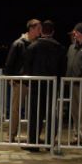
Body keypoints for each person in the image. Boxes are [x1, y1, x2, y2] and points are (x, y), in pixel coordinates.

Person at [23, 20, 66, 149]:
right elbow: (62, 70)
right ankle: (49, 143)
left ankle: (33, 143)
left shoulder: (33, 46)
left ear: (42, 31)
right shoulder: (60, 48)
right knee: (52, 114)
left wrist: (27, 82)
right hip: (52, 87)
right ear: (53, 32)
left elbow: (27, 67)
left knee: (35, 114)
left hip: (36, 86)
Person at [3, 19, 41, 142]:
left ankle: (33, 136)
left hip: (33, 82)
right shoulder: (18, 44)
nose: (40, 31)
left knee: (34, 109)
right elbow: (9, 63)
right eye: (38, 28)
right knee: (16, 109)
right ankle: (11, 134)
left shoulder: (38, 43)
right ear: (31, 29)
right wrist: (11, 78)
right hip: (20, 81)